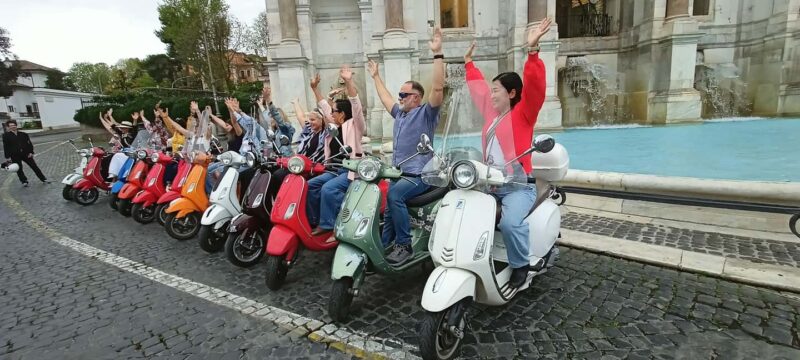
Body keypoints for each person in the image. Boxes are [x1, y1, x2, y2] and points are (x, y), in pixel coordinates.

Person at [464, 18, 551, 288]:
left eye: (496, 91)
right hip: (489, 183)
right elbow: (477, 88)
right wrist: (468, 64)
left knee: (512, 224)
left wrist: (533, 52)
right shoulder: (492, 114)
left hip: (517, 187)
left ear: (512, 93)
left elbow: (535, 89)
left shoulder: (523, 113)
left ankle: (520, 265)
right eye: (491, 91)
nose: (490, 96)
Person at [368, 27, 446, 265]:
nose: (399, 97)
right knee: (390, 207)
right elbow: (385, 98)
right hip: (399, 174)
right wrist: (375, 77)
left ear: (416, 97)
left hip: (420, 175)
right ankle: (385, 245)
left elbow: (439, 88)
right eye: (399, 94)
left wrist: (437, 54)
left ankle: (404, 246)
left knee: (394, 197)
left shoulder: (426, 113)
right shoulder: (400, 115)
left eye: (404, 94)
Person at [307, 65, 366, 236]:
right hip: (334, 170)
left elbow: (356, 105)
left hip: (350, 171)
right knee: (309, 186)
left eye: (334, 112)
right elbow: (324, 106)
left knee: (328, 189)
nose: (330, 113)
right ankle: (314, 219)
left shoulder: (355, 126)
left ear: (342, 114)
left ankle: (331, 223)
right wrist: (314, 88)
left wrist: (349, 81)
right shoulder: (333, 127)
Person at [2, 119, 50, 187]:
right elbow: (6, 146)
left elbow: (29, 144)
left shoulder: (23, 134)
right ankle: (24, 181)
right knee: (19, 169)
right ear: (8, 127)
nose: (13, 127)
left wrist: (31, 152)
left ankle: (43, 179)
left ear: (16, 126)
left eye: (14, 125)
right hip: (15, 155)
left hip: (26, 154)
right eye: (11, 126)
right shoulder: (6, 136)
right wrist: (8, 157)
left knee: (34, 166)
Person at [259, 85, 295, 157]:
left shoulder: (285, 130)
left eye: (272, 117)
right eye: (270, 117)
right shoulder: (270, 133)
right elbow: (267, 155)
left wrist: (268, 100)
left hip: (287, 162)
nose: (271, 119)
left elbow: (277, 117)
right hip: (275, 164)